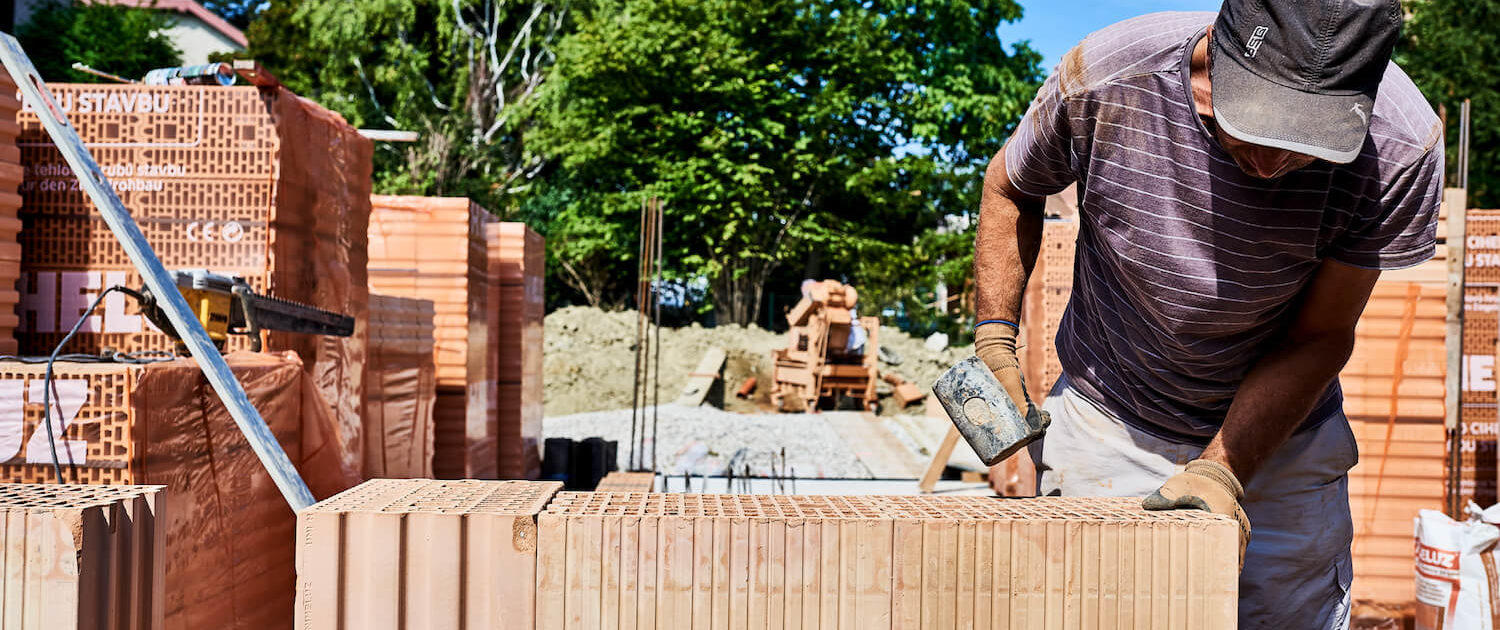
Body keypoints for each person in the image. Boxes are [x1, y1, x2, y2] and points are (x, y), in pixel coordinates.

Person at [972, 0, 1443, 627]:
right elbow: (1010, 186)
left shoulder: (1401, 144)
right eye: (1261, 128)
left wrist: (1223, 469)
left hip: (1283, 443)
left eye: (1309, 144)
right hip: (1111, 419)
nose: (1274, 165)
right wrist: (996, 341)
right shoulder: (1112, 76)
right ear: (1217, 64)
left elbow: (1323, 335)